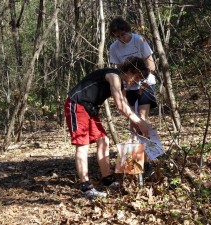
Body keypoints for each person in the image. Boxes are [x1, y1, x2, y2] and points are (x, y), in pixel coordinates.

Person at [64, 56, 151, 198]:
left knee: (103, 140)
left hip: (90, 108)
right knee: (82, 145)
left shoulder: (120, 83)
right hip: (76, 104)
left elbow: (125, 105)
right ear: (130, 70)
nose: (136, 81)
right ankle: (86, 187)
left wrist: (138, 122)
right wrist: (141, 123)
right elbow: (120, 106)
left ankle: (107, 179)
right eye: (137, 77)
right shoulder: (113, 76)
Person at [109, 17, 157, 135]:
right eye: (117, 36)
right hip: (129, 86)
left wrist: (140, 78)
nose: (121, 38)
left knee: (141, 116)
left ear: (128, 30)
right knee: (133, 120)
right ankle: (136, 151)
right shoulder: (114, 47)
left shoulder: (139, 40)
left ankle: (147, 149)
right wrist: (128, 81)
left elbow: (151, 65)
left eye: (122, 35)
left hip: (146, 83)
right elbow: (120, 70)